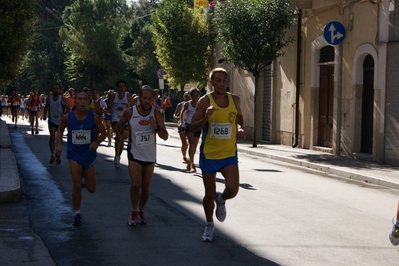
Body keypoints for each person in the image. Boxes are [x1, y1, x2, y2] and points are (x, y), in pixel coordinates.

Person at [189, 67, 247, 242]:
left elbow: (239, 117)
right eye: (218, 80)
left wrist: (240, 128)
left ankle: (221, 199)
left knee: (233, 189)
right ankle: (208, 224)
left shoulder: (234, 99)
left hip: (229, 153)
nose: (222, 83)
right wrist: (206, 118)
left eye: (224, 80)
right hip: (209, 154)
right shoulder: (204, 102)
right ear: (211, 83)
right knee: (208, 193)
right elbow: (192, 127)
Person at [117, 85, 168, 226]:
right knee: (135, 184)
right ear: (139, 98)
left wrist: (155, 127)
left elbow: (165, 136)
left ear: (153, 100)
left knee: (145, 188)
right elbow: (119, 125)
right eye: (144, 98)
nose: (147, 101)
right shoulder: (130, 112)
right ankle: (133, 211)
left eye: (149, 99)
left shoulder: (156, 114)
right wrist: (124, 132)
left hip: (150, 155)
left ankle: (141, 210)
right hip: (134, 152)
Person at [56, 91, 106, 226]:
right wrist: (59, 144)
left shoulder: (94, 118)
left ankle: (84, 175)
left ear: (88, 101)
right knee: (77, 185)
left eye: (85, 99)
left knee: (91, 189)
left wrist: (97, 142)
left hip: (89, 154)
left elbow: (104, 132)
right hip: (74, 153)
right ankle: (77, 213)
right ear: (75, 101)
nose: (82, 102)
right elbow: (60, 129)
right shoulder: (68, 117)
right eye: (79, 99)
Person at [107, 80, 136, 168]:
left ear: (125, 87)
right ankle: (116, 156)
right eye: (120, 87)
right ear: (117, 87)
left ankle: (118, 156)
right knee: (119, 136)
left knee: (122, 138)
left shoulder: (128, 96)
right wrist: (110, 108)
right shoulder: (113, 96)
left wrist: (129, 107)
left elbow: (134, 107)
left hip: (124, 119)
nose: (121, 89)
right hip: (115, 118)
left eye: (123, 87)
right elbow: (108, 101)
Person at [43, 84, 71, 164]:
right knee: (52, 137)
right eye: (54, 88)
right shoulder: (49, 99)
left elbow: (69, 108)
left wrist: (65, 114)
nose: (55, 90)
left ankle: (58, 153)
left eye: (57, 89)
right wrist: (44, 115)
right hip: (52, 120)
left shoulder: (62, 99)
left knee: (59, 139)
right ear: (52, 89)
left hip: (60, 121)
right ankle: (52, 155)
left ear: (59, 90)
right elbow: (46, 107)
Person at [181, 88, 201, 172]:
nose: (195, 97)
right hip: (189, 126)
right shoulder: (187, 104)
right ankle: (192, 163)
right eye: (193, 95)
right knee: (191, 143)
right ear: (191, 96)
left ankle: (189, 160)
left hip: (197, 126)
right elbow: (183, 114)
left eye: (197, 95)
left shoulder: (201, 104)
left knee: (194, 146)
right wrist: (181, 124)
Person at [173, 92, 191, 164]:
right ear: (184, 97)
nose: (188, 97)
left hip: (190, 125)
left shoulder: (193, 104)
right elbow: (174, 114)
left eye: (189, 96)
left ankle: (190, 157)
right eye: (186, 96)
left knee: (190, 143)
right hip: (182, 125)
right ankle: (184, 156)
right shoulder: (180, 105)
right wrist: (176, 117)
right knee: (184, 143)